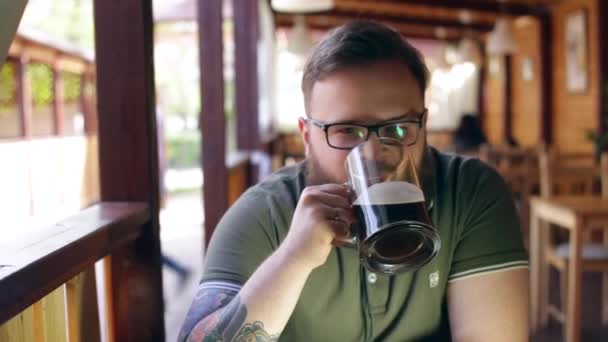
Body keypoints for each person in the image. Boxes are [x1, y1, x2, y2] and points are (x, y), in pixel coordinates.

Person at [178, 21, 529, 341]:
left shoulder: (469, 193)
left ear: (424, 125)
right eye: (346, 131)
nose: (374, 152)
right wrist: (293, 259)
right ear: (307, 136)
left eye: (398, 128)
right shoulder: (264, 215)